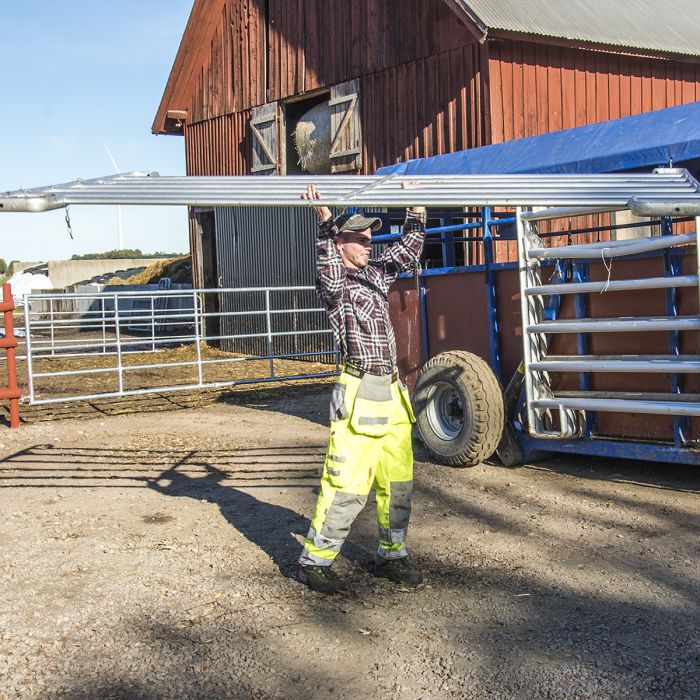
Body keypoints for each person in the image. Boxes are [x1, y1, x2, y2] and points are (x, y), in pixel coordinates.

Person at [298, 182, 426, 593]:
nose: (369, 244)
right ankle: (315, 561)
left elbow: (406, 252)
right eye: (360, 239)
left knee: (398, 480)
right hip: (358, 391)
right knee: (348, 484)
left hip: (392, 393)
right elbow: (328, 267)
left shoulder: (374, 275)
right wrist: (325, 221)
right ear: (340, 244)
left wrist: (416, 210)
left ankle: (392, 554)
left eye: (371, 238)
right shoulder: (337, 287)